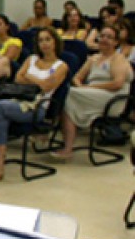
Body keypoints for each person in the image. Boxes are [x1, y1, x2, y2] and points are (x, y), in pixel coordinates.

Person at [0, 27, 68, 185]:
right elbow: (17, 79)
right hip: (17, 101)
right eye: (40, 40)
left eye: (48, 39)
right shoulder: (31, 59)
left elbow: (46, 87)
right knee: (0, 118)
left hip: (37, 107)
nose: (44, 43)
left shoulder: (61, 66)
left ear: (55, 42)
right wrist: (36, 81)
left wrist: (28, 76)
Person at [51, 25, 133, 160]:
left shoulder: (118, 59)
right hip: (91, 94)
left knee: (69, 94)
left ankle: (48, 126)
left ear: (116, 42)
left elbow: (117, 84)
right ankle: (67, 147)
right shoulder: (94, 58)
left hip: (112, 98)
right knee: (68, 100)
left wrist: (89, 88)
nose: (104, 39)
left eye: (109, 37)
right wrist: (80, 86)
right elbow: (76, 78)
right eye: (102, 36)